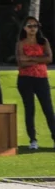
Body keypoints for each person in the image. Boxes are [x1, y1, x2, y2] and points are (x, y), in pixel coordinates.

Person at [15, 17, 55, 151]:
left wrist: (31, 58)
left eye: (35, 26)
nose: (33, 28)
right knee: (30, 109)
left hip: (41, 79)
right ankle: (33, 140)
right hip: (25, 79)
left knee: (48, 110)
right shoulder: (21, 43)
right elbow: (21, 62)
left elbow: (49, 58)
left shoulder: (43, 42)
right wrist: (40, 60)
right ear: (24, 28)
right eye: (30, 26)